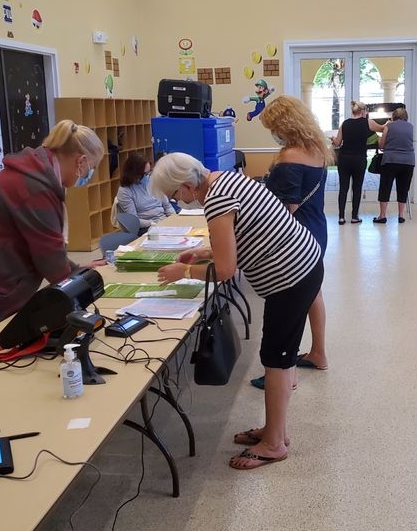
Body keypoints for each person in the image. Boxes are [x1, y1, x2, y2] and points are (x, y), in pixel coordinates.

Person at [151, 153, 323, 470]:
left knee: (276, 359)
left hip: (290, 277)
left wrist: (183, 272)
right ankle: (274, 431)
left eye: (175, 194)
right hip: (302, 265)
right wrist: (204, 252)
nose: (178, 201)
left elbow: (226, 269)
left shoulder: (216, 200)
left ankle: (274, 444)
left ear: (186, 185)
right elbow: (247, 232)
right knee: (280, 357)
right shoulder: (224, 179)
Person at [0, 120, 105, 339]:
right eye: (90, 169)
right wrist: (80, 283)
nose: (87, 176)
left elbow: (49, 248)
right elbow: (51, 263)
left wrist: (77, 270)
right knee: (3, 344)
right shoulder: (35, 187)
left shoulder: (37, 174)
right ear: (80, 162)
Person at [252, 95, 331, 390]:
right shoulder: (317, 149)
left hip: (295, 236)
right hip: (317, 229)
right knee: (312, 292)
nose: (274, 134)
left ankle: (287, 372)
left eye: (274, 128)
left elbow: (286, 208)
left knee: (290, 302)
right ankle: (318, 352)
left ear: (284, 125)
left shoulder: (289, 157)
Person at [332, 101, 386, 224]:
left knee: (343, 188)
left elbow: (338, 143)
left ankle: (341, 217)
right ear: (362, 111)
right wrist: (388, 123)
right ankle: (354, 216)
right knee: (357, 188)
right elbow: (382, 129)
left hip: (344, 159)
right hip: (359, 159)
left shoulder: (345, 123)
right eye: (366, 111)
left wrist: (333, 139)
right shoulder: (368, 122)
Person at [111, 151, 174, 235]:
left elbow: (167, 206)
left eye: (149, 172)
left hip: (163, 221)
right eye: (144, 174)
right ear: (134, 173)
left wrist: (173, 218)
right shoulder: (125, 191)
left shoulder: (153, 180)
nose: (147, 176)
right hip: (146, 227)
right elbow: (134, 220)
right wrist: (153, 223)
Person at [374, 107, 415, 224]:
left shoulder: (389, 126)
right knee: (403, 188)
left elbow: (382, 145)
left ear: (393, 117)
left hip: (390, 160)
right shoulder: (410, 126)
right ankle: (401, 215)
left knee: (385, 188)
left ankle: (382, 216)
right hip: (408, 161)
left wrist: (379, 140)